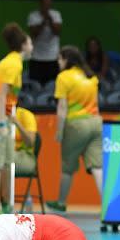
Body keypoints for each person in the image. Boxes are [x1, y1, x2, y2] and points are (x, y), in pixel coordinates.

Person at [0, 23, 34, 214]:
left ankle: (7, 205)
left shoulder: (14, 62)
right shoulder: (13, 64)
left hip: (3, 115)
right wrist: (2, 123)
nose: (32, 47)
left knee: (7, 161)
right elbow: (1, 96)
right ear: (24, 44)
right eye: (31, 43)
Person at [46, 46, 102, 212]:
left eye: (59, 58)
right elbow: (97, 104)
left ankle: (61, 202)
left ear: (66, 59)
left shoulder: (64, 77)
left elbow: (62, 107)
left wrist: (59, 130)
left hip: (76, 125)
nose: (58, 62)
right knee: (97, 166)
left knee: (68, 167)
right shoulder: (91, 76)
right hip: (96, 122)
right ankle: (107, 205)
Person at [26, 0, 62, 85]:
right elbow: (34, 34)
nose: (47, 5)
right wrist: (43, 22)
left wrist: (50, 20)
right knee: (35, 84)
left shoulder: (56, 15)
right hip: (37, 57)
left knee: (53, 85)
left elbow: (57, 32)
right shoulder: (33, 16)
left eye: (49, 2)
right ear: (41, 3)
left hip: (52, 57)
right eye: (45, 2)